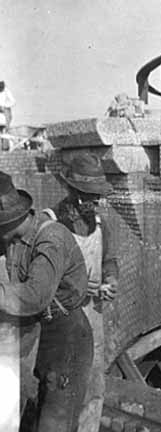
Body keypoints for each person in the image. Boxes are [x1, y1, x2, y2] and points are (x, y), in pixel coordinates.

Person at [0, 171, 92, 431]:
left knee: (55, 421)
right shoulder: (13, 237)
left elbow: (34, 297)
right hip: (39, 329)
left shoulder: (50, 238)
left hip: (67, 335)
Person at [43, 153, 118, 432]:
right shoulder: (51, 224)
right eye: (89, 196)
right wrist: (72, 283)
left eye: (97, 196)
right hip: (62, 319)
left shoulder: (100, 225)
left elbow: (109, 260)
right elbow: (38, 280)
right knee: (61, 390)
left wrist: (111, 280)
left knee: (94, 386)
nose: (95, 202)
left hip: (93, 316)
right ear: (71, 191)